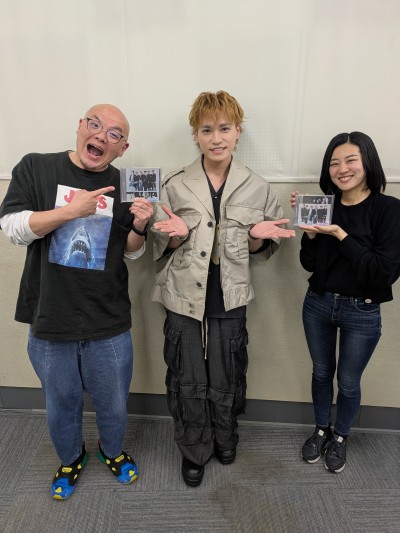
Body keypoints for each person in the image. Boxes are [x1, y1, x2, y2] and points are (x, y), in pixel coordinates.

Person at [0, 104, 154, 499]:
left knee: (114, 403)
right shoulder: (36, 167)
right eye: (95, 124)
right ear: (80, 126)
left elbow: (131, 252)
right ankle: (71, 458)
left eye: (114, 133)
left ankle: (112, 451)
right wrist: (69, 212)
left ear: (122, 148)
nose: (102, 135)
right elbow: (13, 228)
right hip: (50, 316)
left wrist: (139, 226)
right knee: (60, 405)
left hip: (108, 319)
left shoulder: (126, 185)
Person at [151, 90, 295, 486]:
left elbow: (265, 248)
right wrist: (177, 235)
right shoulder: (175, 185)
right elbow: (158, 247)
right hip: (182, 295)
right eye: (207, 130)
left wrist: (255, 237)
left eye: (225, 128)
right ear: (195, 135)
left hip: (230, 296)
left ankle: (225, 437)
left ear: (238, 132)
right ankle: (193, 448)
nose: (216, 138)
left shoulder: (258, 187)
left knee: (228, 371)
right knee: (186, 375)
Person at [291, 131, 400, 473]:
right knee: (321, 372)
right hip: (318, 303)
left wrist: (339, 234)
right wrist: (311, 234)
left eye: (351, 160)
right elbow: (310, 264)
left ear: (368, 163)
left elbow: (382, 273)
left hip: (362, 309)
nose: (342, 169)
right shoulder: (325, 205)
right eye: (334, 163)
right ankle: (321, 429)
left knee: (349, 382)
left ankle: (341, 436)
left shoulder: (389, 209)